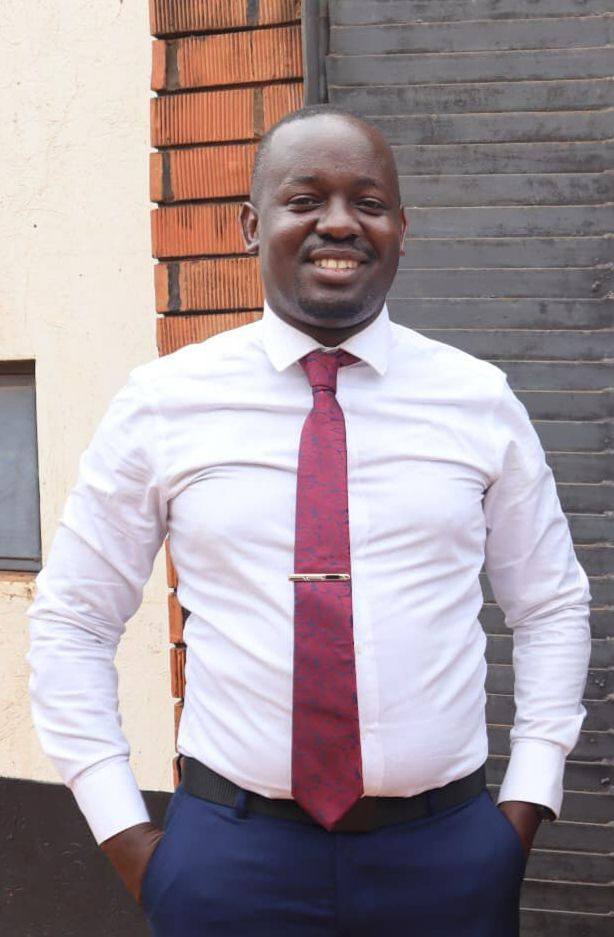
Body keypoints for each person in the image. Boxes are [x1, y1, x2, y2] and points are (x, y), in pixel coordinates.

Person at [28, 106, 591, 937]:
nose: (339, 223)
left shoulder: (477, 399)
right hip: (231, 861)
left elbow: (550, 606)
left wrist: (522, 809)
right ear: (251, 224)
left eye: (369, 202)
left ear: (401, 229)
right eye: (304, 199)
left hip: (446, 858)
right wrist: (131, 839)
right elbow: (73, 620)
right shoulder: (164, 403)